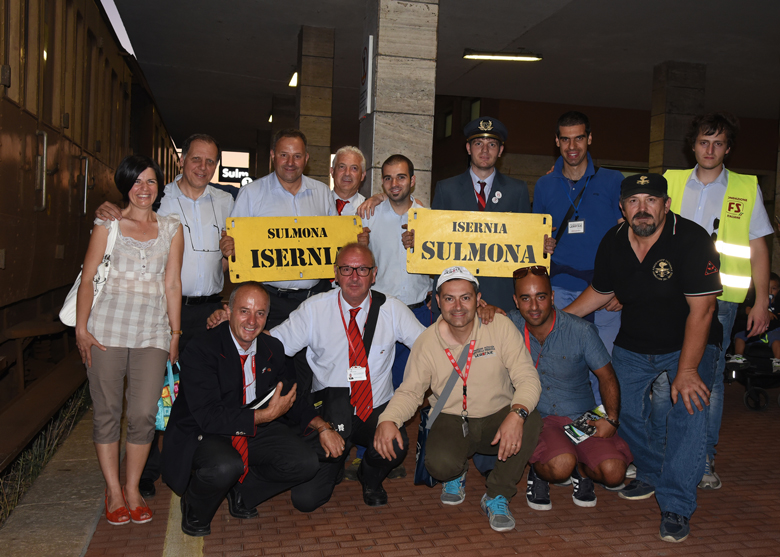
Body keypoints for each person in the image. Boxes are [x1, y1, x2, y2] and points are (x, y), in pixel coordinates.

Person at [565, 173, 722, 543]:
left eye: (651, 200)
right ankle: (650, 472)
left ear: (666, 205)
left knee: (690, 408)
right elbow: (601, 291)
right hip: (635, 344)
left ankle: (677, 505)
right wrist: (558, 322)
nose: (642, 208)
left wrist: (686, 370)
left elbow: (702, 312)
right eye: (634, 201)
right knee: (621, 409)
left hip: (689, 344)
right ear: (622, 207)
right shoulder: (614, 240)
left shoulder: (692, 239)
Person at [95, 133, 234, 497]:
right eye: (196, 159)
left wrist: (233, 253)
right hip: (161, 311)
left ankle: (190, 459)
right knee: (155, 395)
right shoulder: (159, 196)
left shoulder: (226, 202)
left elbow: (235, 258)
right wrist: (108, 207)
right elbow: (128, 215)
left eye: (210, 161)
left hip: (208, 311)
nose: (203, 167)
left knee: (199, 391)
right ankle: (146, 470)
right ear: (181, 160)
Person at [162, 282, 338, 537]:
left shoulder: (273, 349)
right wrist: (265, 416)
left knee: (305, 461)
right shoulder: (203, 348)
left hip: (252, 425)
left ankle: (243, 493)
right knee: (224, 466)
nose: (252, 321)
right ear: (229, 311)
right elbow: (209, 415)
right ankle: (194, 507)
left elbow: (293, 399)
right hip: (205, 430)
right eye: (244, 311)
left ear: (267, 316)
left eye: (260, 313)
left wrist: (322, 426)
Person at [374, 266, 543, 532]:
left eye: (465, 297)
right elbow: (410, 391)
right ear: (437, 301)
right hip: (452, 417)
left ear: (478, 299)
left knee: (530, 418)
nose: (458, 306)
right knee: (440, 465)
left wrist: (516, 413)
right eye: (449, 298)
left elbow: (527, 377)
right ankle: (456, 473)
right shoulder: (426, 342)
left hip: (496, 417)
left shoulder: (498, 326)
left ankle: (497, 495)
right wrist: (388, 420)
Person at [660, 112, 773, 489]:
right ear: (692, 145)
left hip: (721, 300)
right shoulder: (669, 182)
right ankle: (665, 452)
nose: (710, 149)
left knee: (709, 380)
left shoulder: (745, 186)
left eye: (718, 143)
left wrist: (760, 303)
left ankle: (703, 458)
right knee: (664, 375)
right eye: (704, 142)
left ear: (728, 148)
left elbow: (758, 247)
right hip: (669, 294)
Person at [268, 243, 426, 507]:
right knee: (306, 500)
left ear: (374, 274)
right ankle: (336, 463)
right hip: (330, 409)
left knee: (395, 445)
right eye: (347, 269)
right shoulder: (314, 309)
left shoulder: (392, 309)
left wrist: (472, 318)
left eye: (362, 269)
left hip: (375, 406)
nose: (354, 277)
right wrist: (235, 328)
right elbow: (274, 344)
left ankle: (370, 477)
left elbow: (428, 345)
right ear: (336, 274)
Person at [75, 155, 183, 526]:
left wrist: (175, 333)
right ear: (126, 186)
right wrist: (81, 328)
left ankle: (134, 488)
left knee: (143, 414)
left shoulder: (171, 227)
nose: (143, 188)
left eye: (150, 182)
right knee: (107, 412)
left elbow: (172, 284)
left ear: (159, 187)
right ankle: (115, 491)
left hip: (152, 331)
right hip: (105, 329)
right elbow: (88, 277)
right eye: (136, 182)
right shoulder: (108, 223)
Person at [507, 265, 631, 511]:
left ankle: (582, 470)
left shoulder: (580, 330)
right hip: (538, 417)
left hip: (580, 416)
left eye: (541, 297)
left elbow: (606, 376)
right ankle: (540, 472)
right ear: (516, 301)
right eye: (525, 298)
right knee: (560, 464)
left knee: (614, 473)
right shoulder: (506, 325)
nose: (534, 306)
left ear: (552, 297)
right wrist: (486, 308)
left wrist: (612, 419)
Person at [532, 112, 624, 405]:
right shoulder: (545, 185)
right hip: (559, 287)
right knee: (561, 364)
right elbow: (533, 241)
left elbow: (629, 238)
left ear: (589, 139)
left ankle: (599, 431)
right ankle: (560, 425)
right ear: (557, 142)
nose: (573, 146)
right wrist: (541, 244)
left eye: (579, 138)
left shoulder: (612, 180)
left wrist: (623, 287)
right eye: (566, 139)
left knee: (604, 367)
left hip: (605, 289)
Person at [430, 116, 553, 313]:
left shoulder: (517, 190)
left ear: (501, 150)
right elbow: (434, 241)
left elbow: (525, 242)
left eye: (492, 144)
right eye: (478, 143)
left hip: (501, 293)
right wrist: (417, 240)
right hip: (457, 296)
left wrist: (541, 246)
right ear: (468, 148)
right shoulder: (446, 189)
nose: (485, 150)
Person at [220, 128, 337, 329]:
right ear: (273, 155)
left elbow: (335, 242)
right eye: (284, 155)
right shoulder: (251, 193)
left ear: (306, 158)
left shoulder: (323, 193)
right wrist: (229, 248)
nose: (290, 162)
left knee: (310, 361)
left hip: (313, 301)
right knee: (269, 358)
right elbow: (236, 248)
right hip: (269, 303)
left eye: (297, 156)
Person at [358, 154, 434, 387]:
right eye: (388, 178)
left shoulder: (429, 217)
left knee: (414, 383)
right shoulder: (368, 217)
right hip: (381, 311)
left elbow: (440, 263)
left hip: (419, 310)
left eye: (401, 177)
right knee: (376, 381)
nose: (394, 184)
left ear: (412, 180)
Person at [727, 273, 780, 372]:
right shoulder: (754, 300)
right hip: (754, 330)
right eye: (767, 288)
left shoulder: (778, 303)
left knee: (777, 338)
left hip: (771, 331)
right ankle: (738, 357)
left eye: (774, 288)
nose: (769, 291)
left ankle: (777, 361)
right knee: (739, 336)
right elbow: (746, 310)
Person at [331, 146, 366, 216]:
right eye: (341, 167)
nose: (347, 173)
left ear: (362, 175)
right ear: (332, 172)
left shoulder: (370, 210)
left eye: (354, 168)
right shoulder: (318, 204)